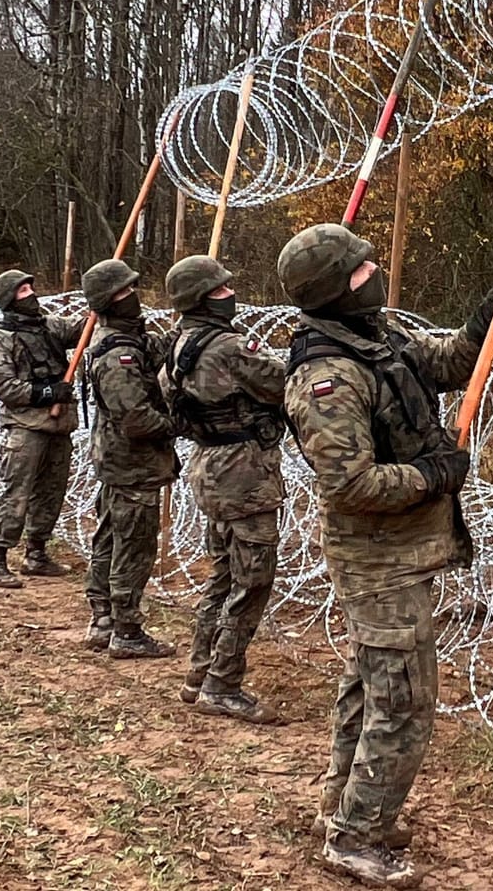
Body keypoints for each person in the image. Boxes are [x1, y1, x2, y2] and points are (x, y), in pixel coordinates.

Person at [278, 223, 493, 889]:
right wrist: (433, 475)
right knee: (406, 701)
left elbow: (442, 363)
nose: (374, 275)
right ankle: (358, 836)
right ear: (335, 290)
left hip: (404, 551)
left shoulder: (373, 339)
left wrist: (485, 324)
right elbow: (351, 483)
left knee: (371, 685)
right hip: (377, 560)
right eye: (361, 272)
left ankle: (343, 805)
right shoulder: (327, 377)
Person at [159, 255, 289, 722]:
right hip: (244, 475)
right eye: (219, 290)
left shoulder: (180, 345)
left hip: (211, 468)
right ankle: (223, 682)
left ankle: (200, 672)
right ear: (201, 299)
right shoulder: (230, 347)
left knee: (222, 577)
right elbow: (282, 382)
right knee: (251, 580)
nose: (229, 295)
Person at [80, 259, 181, 659]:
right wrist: (177, 424)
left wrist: (182, 332)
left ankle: (102, 617)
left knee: (110, 534)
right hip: (131, 462)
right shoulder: (116, 354)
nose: (133, 297)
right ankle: (125, 628)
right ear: (109, 300)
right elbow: (137, 419)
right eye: (125, 292)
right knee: (134, 544)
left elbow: (153, 353)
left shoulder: (124, 340)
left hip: (118, 460)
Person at [0, 269, 78, 588]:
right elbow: (4, 386)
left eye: (30, 288)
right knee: (17, 493)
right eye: (22, 291)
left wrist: (100, 306)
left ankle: (37, 554)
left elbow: (81, 330)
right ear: (9, 300)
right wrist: (47, 393)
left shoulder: (49, 326)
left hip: (59, 426)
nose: (31, 294)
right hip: (26, 428)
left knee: (51, 493)